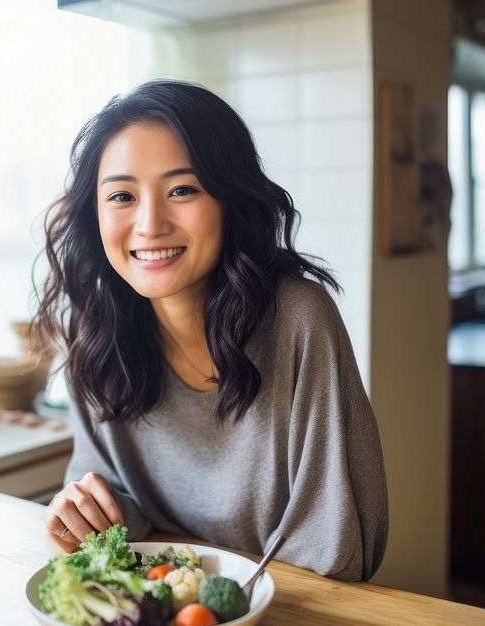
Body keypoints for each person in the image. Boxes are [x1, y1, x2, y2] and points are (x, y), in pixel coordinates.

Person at [33, 80, 387, 581]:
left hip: (291, 618)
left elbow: (339, 548)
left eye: (182, 189)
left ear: (229, 200)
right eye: (122, 195)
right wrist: (85, 516)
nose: (150, 224)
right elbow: (116, 520)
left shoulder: (299, 319)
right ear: (95, 214)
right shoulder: (96, 334)